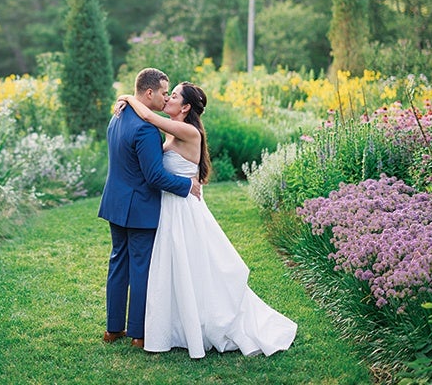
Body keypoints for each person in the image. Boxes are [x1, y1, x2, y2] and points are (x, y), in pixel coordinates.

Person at [117, 81, 297, 358]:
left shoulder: (188, 131)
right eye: (169, 93)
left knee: (193, 267)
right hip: (171, 206)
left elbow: (149, 116)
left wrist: (128, 96)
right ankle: (173, 324)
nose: (168, 99)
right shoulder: (174, 131)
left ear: (186, 107)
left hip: (183, 209)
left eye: (173, 96)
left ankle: (202, 321)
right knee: (173, 267)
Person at [98, 68, 202, 349]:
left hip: (115, 203)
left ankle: (113, 329)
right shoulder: (146, 129)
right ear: (149, 93)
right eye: (164, 92)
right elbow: (154, 176)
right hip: (140, 207)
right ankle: (139, 334)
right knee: (141, 268)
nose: (166, 97)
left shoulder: (118, 114)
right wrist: (186, 186)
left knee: (118, 263)